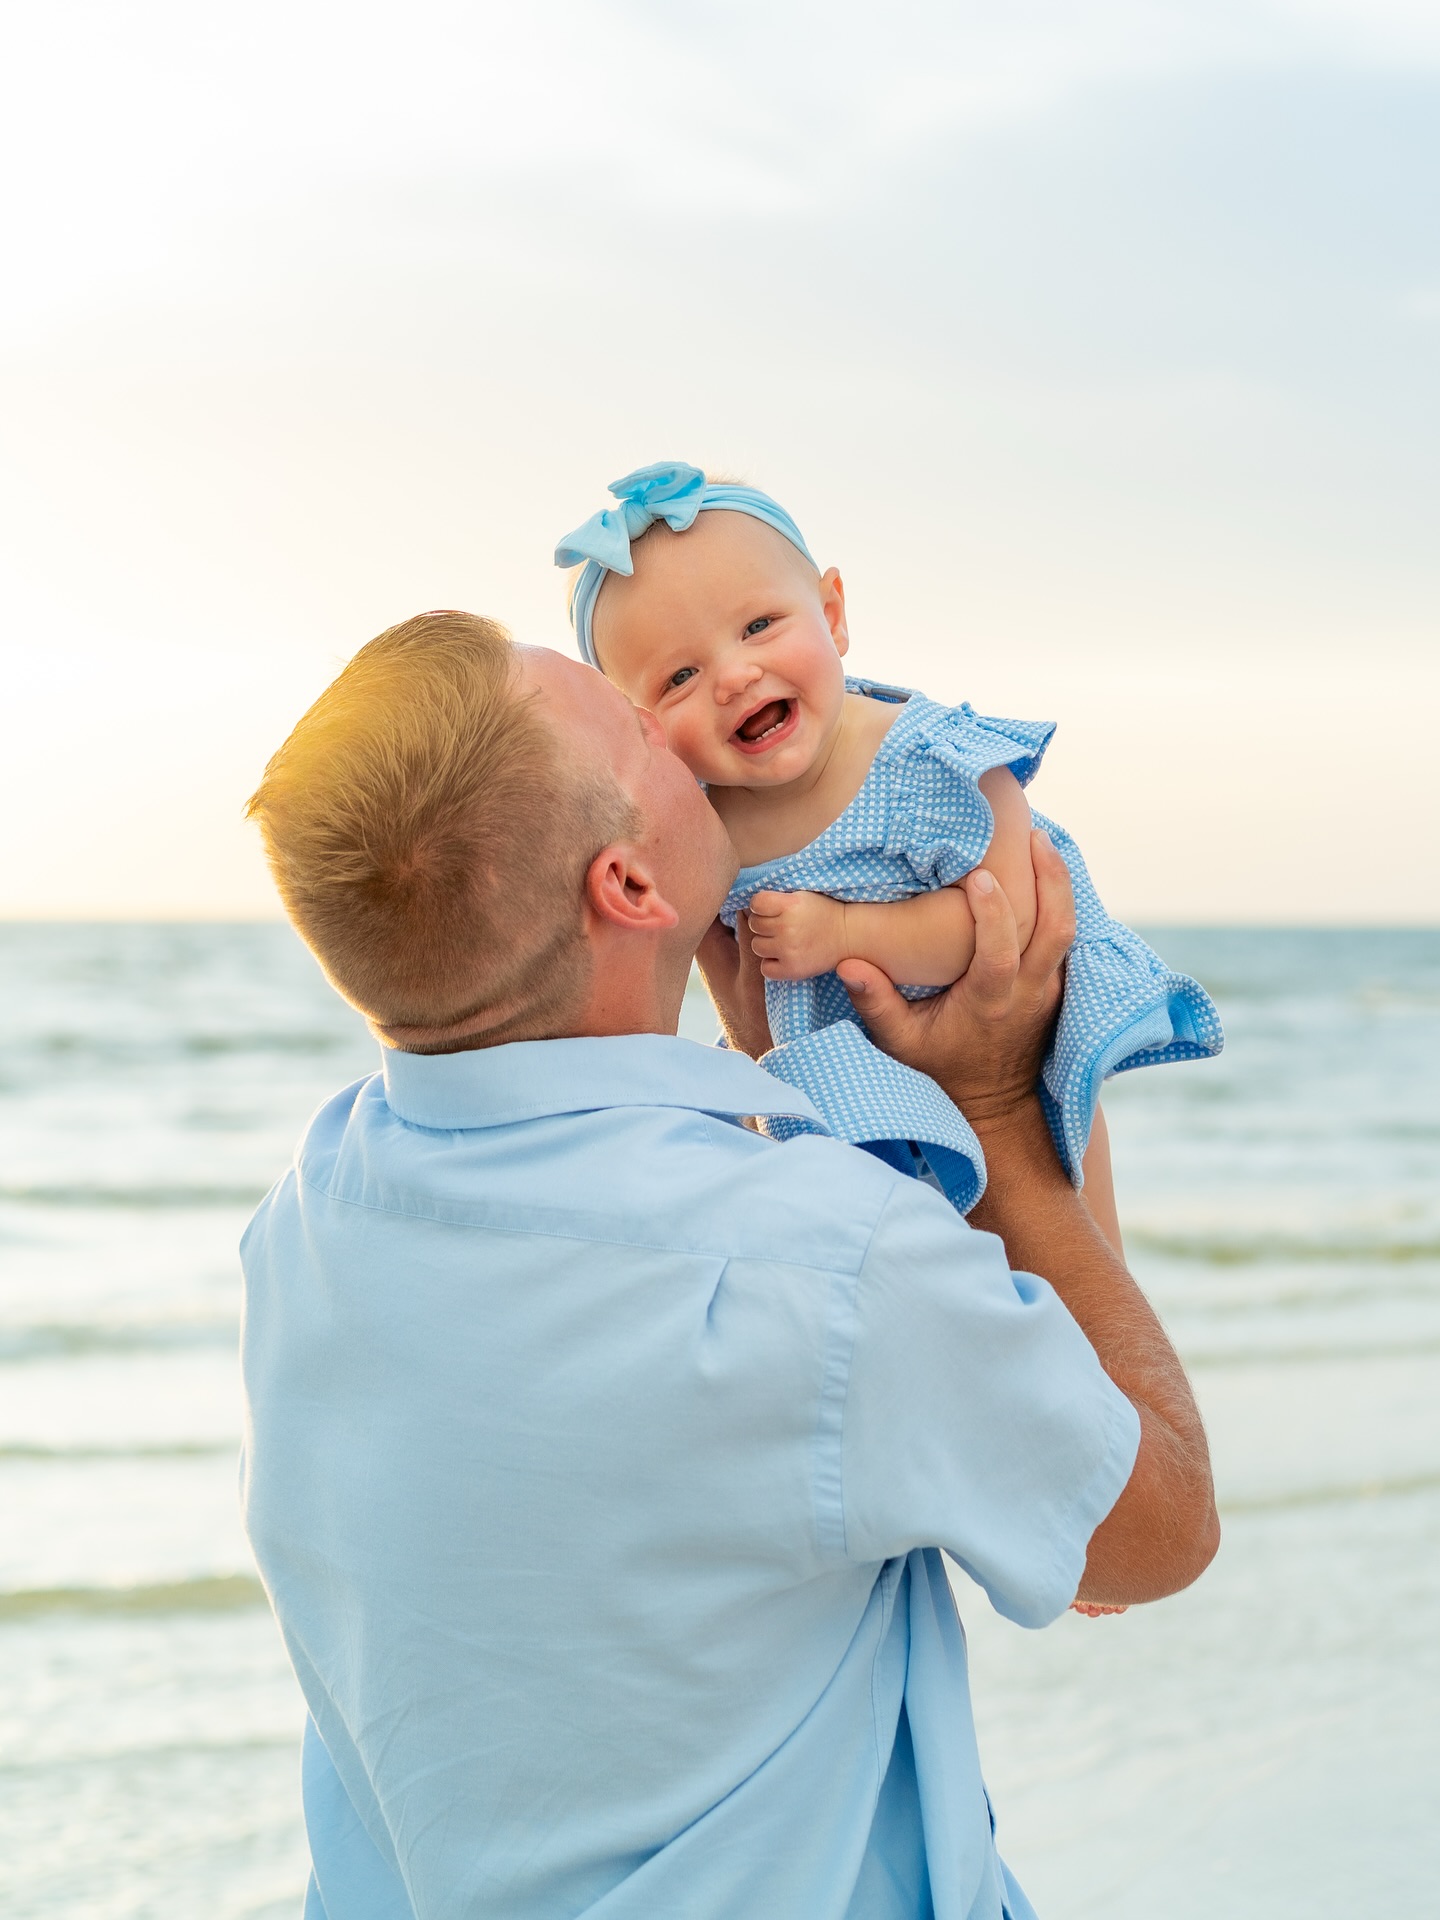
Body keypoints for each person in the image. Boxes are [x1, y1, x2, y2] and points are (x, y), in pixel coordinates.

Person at [240, 609, 1219, 1920]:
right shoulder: (819, 1264)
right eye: (645, 727)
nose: (692, 730)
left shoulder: (311, 1217)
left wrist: (784, 1077)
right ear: (630, 889)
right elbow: (1152, 1531)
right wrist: (996, 1124)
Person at [555, 462, 1223, 1215]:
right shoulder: (700, 826)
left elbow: (1012, 921)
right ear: (644, 729)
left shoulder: (920, 761)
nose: (735, 676)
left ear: (833, 613)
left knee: (1066, 1275)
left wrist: (845, 932)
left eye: (758, 626)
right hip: (838, 1103)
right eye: (679, 676)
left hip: (1005, 1071)